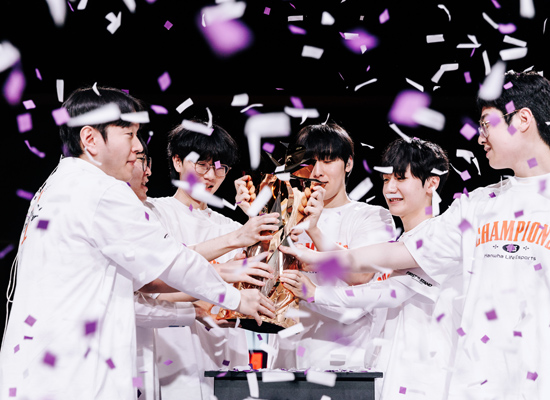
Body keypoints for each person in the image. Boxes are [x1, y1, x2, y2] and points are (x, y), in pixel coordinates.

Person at [282, 71, 550, 399]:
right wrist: (320, 257)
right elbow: (396, 254)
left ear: (522, 119)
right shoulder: (478, 204)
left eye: (486, 123)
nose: (480, 137)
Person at [0, 86, 274, 400]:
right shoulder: (102, 191)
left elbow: (139, 284)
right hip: (75, 378)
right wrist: (237, 299)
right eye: (129, 134)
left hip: (39, 371)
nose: (138, 147)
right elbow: (171, 262)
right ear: (90, 139)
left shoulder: (54, 186)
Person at [280, 137, 451, 399]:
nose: (390, 188)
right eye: (386, 179)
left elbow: (383, 291)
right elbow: (362, 263)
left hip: (423, 378)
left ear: (432, 183)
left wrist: (315, 292)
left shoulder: (437, 236)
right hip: (390, 372)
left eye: (400, 178)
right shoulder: (406, 240)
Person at [236, 122, 396, 370]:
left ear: (348, 163)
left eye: (328, 161)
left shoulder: (373, 217)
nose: (317, 172)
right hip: (286, 359)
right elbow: (259, 286)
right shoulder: (284, 216)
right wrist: (256, 217)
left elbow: (361, 276)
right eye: (309, 162)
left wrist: (313, 229)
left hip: (346, 359)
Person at [143, 121, 281, 399]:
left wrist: (255, 214)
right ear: (177, 161)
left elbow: (261, 290)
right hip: (173, 354)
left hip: (227, 355)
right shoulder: (153, 213)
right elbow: (152, 288)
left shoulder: (232, 226)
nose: (210, 176)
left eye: (220, 167)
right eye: (202, 165)